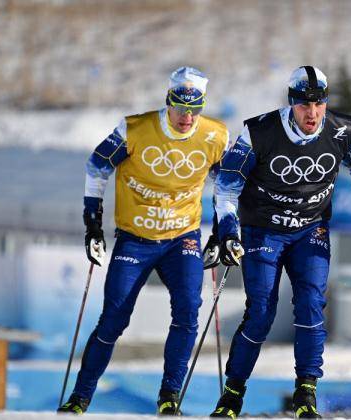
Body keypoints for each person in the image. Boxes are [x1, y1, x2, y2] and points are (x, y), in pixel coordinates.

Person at [208, 66, 351, 419]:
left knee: (310, 304)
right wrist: (228, 232)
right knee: (260, 312)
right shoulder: (258, 131)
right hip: (263, 229)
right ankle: (232, 395)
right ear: (291, 104)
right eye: (305, 105)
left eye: (319, 104)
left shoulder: (344, 130)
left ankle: (306, 392)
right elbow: (226, 188)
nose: (313, 112)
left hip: (311, 229)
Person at [57, 67, 229, 415]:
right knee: (114, 319)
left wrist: (224, 232)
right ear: (168, 102)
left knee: (188, 311)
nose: (186, 117)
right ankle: (80, 397)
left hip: (182, 238)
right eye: (180, 108)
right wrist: (92, 224)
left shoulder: (216, 135)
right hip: (135, 239)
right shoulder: (134, 128)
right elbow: (96, 167)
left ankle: (169, 397)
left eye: (194, 109)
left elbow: (228, 186)